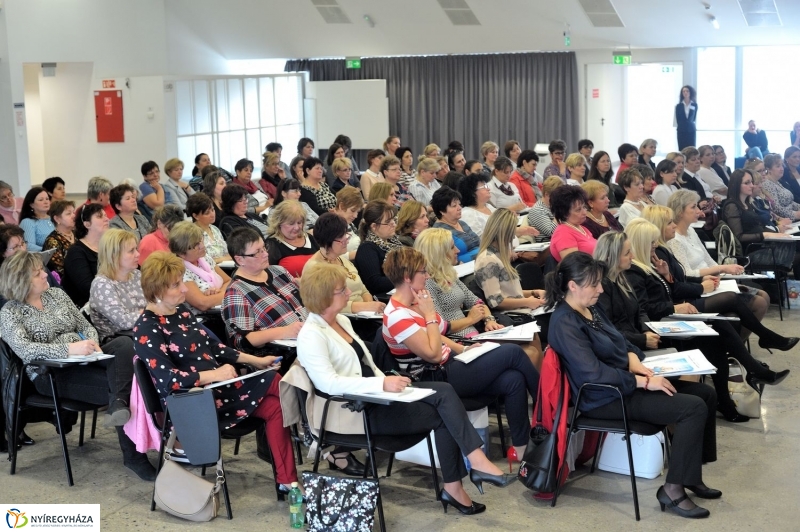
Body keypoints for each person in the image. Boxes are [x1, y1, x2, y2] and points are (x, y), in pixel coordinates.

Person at [298, 262, 513, 515]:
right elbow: (328, 383)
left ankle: (469, 470)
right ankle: (463, 478)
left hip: (375, 397)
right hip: (352, 411)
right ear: (322, 296)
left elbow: (366, 365)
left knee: (443, 392)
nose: (348, 293)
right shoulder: (311, 334)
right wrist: (381, 383)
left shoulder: (341, 321)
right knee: (445, 411)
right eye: (341, 290)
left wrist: (387, 383)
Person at [546, 251, 718, 519]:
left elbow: (621, 340)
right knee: (692, 408)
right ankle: (672, 490)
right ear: (573, 285)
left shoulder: (591, 308)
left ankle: (689, 475)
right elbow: (592, 374)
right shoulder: (565, 322)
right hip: (602, 398)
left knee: (704, 394)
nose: (601, 289)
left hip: (623, 384)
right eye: (595, 284)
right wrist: (642, 382)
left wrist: (632, 359)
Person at [134, 251, 299, 493]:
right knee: (276, 382)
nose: (183, 289)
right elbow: (169, 380)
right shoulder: (147, 327)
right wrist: (215, 375)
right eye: (176, 285)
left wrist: (255, 360)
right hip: (193, 404)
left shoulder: (181, 313)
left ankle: (288, 482)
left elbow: (214, 347)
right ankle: (313, 426)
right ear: (157, 291)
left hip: (220, 392)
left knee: (275, 404)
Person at [382, 246, 539, 468]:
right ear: (408, 278)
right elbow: (433, 354)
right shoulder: (397, 315)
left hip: (450, 365)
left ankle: (523, 450)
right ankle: (547, 412)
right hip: (435, 376)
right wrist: (429, 315)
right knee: (513, 352)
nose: (427, 276)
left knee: (513, 379)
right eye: (422, 272)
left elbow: (442, 330)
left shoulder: (413, 304)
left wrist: (463, 349)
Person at [623, 219, 791, 421]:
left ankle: (732, 395)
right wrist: (674, 306)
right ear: (641, 243)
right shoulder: (635, 271)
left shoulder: (652, 265)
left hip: (669, 318)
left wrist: (667, 276)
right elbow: (647, 309)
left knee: (719, 329)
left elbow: (667, 293)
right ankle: (753, 369)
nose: (656, 246)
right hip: (660, 328)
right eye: (651, 243)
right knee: (720, 325)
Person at [0, 251, 149, 477]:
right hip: (50, 374)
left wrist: (91, 342)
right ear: (21, 280)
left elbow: (85, 324)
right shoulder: (10, 312)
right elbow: (26, 350)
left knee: (123, 343)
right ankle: (134, 456)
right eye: (38, 272)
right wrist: (69, 349)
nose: (45, 274)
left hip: (84, 357)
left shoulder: (57, 296)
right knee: (129, 387)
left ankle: (119, 403)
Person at [222, 228, 308, 357]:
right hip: (284, 354)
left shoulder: (279, 271)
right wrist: (284, 332)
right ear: (240, 260)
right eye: (257, 252)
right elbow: (242, 342)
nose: (266, 254)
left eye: (264, 248)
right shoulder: (236, 292)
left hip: (312, 337)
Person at [302, 213, 384, 342]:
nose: (346, 239)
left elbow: (362, 288)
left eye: (346, 234)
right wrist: (364, 307)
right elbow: (323, 306)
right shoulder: (314, 268)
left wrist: (370, 304)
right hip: (342, 322)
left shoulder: (341, 259)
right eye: (341, 237)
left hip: (365, 317)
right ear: (327, 240)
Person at [414, 228, 503, 339]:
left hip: (472, 335)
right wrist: (470, 319)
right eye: (452, 247)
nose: (457, 250)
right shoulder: (427, 283)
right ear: (439, 253)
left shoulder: (448, 274)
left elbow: (476, 302)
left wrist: (489, 320)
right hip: (457, 341)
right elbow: (441, 326)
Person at [721, 169, 800, 278]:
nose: (752, 186)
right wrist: (765, 235)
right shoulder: (732, 206)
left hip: (763, 245)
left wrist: (774, 232)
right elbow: (739, 237)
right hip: (751, 252)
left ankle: (790, 288)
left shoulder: (747, 204)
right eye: (747, 183)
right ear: (736, 185)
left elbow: (759, 227)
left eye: (752, 182)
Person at [475, 209, 547, 315]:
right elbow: (496, 301)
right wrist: (527, 302)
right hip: (513, 315)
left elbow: (510, 293)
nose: (514, 236)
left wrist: (534, 292)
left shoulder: (499, 255)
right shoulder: (488, 260)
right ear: (505, 232)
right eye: (513, 231)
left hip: (521, 311)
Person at [89, 229, 146, 342]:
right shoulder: (102, 284)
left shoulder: (136, 275)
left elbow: (155, 301)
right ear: (114, 255)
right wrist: (150, 312)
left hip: (143, 330)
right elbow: (123, 322)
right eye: (131, 251)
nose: (138, 254)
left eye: (136, 249)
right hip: (119, 340)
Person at [169, 222, 231, 314]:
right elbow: (202, 304)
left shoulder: (205, 258)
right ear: (182, 253)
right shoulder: (179, 271)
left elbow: (229, 281)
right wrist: (230, 294)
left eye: (201, 241)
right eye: (196, 245)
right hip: (205, 319)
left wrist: (218, 293)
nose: (202, 246)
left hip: (222, 309)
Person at [459, 172, 539, 240]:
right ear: (472, 193)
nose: (488, 189)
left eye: (487, 186)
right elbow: (480, 240)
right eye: (484, 187)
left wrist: (523, 231)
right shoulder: (467, 213)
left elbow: (504, 231)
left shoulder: (488, 206)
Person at [62, 204, 109, 308]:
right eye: (100, 216)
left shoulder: (108, 247)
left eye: (106, 216)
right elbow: (87, 288)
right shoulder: (76, 253)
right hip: (87, 306)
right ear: (87, 224)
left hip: (108, 300)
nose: (106, 219)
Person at [353, 200, 403, 295]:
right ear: (374, 226)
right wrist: (406, 278)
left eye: (393, 219)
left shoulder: (394, 241)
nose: (393, 224)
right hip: (384, 299)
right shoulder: (367, 249)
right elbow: (375, 283)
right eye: (388, 222)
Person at [265, 200, 320, 277]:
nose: (297, 227)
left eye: (299, 222)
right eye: (291, 223)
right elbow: (269, 275)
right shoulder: (272, 244)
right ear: (279, 223)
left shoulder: (309, 238)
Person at [431, 186, 481, 263]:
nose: (459, 208)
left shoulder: (462, 223)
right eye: (454, 206)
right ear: (442, 211)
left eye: (459, 204)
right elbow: (445, 261)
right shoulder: (439, 232)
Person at [549, 185, 597, 261]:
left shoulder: (582, 228)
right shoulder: (563, 234)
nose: (585, 212)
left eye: (584, 207)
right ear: (565, 213)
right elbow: (575, 265)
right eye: (578, 210)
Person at [186, 193, 231, 265]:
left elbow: (227, 253)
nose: (212, 214)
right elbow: (199, 261)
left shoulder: (215, 229)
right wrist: (223, 259)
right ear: (195, 216)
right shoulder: (192, 234)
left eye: (213, 210)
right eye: (207, 213)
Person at [41, 200, 76, 278]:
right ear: (57, 219)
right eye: (68, 214)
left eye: (73, 212)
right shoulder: (52, 241)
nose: (73, 216)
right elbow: (59, 271)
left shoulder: (78, 234)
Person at [762, 154, 800, 220]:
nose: (782, 168)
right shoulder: (767, 184)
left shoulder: (777, 182)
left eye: (782, 165)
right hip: (786, 220)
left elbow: (791, 202)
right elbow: (776, 208)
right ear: (768, 169)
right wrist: (795, 215)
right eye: (778, 166)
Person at [19, 187, 54, 251]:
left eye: (47, 199)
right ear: (31, 204)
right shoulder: (27, 222)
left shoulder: (54, 218)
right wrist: (52, 250)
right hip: (41, 258)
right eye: (41, 200)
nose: (46, 202)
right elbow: (29, 246)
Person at [333, 186, 364, 257]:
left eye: (357, 212)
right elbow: (330, 255)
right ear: (341, 206)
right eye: (353, 211)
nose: (355, 216)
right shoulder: (330, 226)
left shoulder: (348, 223)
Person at [675, 85, 698, 150]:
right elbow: (678, 119)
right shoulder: (678, 106)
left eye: (687, 91)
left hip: (691, 130)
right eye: (683, 91)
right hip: (681, 130)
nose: (685, 93)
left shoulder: (694, 105)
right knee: (682, 149)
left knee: (692, 149)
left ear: (690, 92)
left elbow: (694, 118)